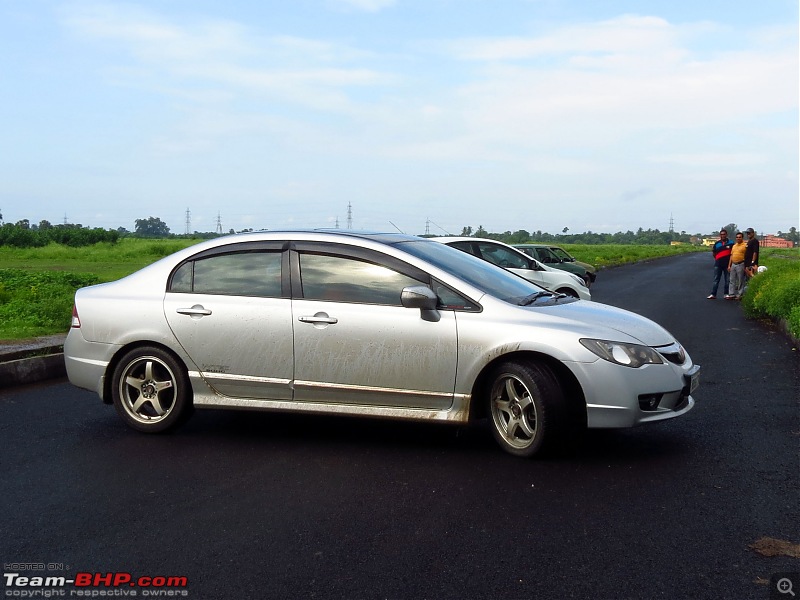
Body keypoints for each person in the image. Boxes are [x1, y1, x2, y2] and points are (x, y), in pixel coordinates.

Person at [708, 228, 733, 299]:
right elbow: (714, 253)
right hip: (718, 264)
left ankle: (726, 294)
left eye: (724, 234)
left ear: (726, 235)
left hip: (727, 265)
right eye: (721, 234)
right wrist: (717, 259)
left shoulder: (731, 243)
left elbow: (733, 253)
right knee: (716, 279)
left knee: (727, 280)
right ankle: (713, 294)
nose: (723, 236)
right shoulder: (717, 243)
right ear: (720, 235)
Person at [726, 231, 747, 299]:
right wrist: (729, 265)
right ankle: (731, 294)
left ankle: (740, 294)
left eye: (740, 237)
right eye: (737, 237)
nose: (738, 238)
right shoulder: (734, 246)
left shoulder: (745, 246)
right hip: (733, 264)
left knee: (740, 280)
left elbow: (748, 256)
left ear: (742, 238)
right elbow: (731, 256)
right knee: (732, 280)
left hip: (741, 264)